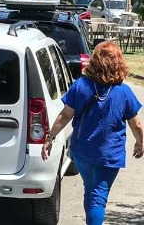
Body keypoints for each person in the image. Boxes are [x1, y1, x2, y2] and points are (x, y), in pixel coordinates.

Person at [43, 42, 143, 225]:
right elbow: (136, 124)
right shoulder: (124, 91)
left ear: (95, 61)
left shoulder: (80, 86)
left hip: (82, 152)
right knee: (98, 197)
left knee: (90, 190)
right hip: (108, 155)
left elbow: (65, 115)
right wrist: (140, 142)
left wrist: (50, 137)